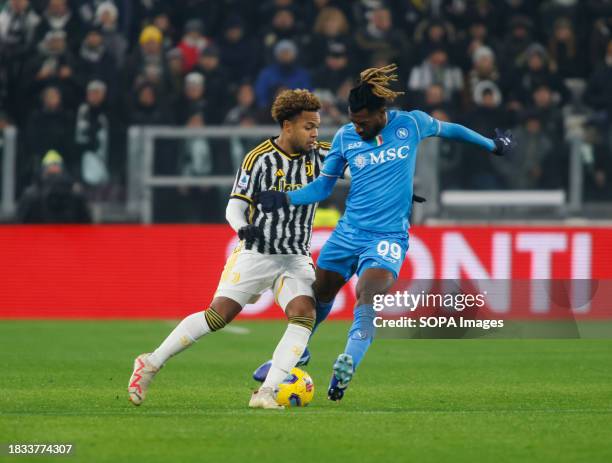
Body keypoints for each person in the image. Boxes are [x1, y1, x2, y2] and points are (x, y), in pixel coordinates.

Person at [255, 64, 515, 401]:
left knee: (367, 295)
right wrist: (285, 198)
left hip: (387, 238)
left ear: (382, 112)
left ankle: (347, 363)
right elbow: (322, 188)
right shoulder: (346, 139)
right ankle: (298, 353)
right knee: (318, 293)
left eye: (363, 121)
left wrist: (492, 145)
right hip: (348, 233)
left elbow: (450, 130)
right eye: (353, 120)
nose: (357, 127)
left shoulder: (411, 123)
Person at [128, 89, 331, 410]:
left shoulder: (323, 155)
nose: (315, 133)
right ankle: (150, 362)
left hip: (295, 255)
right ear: (288, 125)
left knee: (304, 315)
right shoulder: (259, 159)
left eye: (317, 126)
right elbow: (234, 207)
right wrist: (242, 228)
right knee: (218, 316)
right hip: (259, 251)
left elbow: (359, 170)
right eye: (309, 126)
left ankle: (266, 392)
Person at [17, 150, 92, 224]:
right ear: (63, 171)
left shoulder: (31, 195)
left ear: (43, 170)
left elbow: (20, 224)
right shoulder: (76, 194)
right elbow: (87, 225)